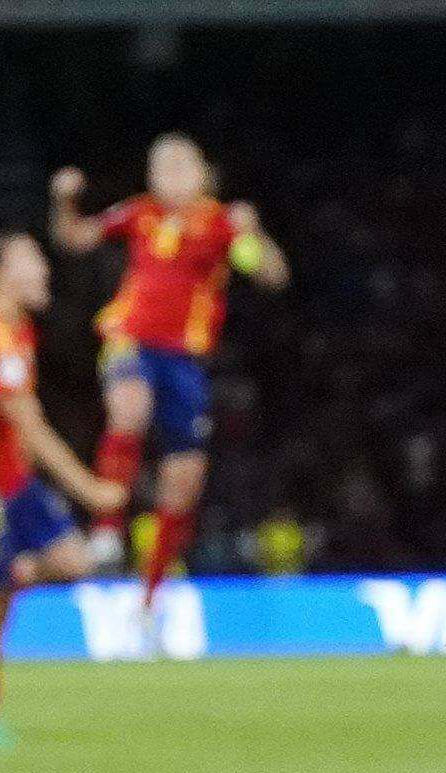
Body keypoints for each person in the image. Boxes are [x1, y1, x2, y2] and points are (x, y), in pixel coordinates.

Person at [47, 137, 286, 613]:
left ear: (204, 172)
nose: (170, 172)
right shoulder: (140, 214)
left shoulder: (221, 223)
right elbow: (75, 238)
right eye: (160, 164)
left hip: (185, 359)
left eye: (181, 163)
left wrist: (254, 234)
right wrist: (64, 200)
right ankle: (108, 529)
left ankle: (150, 600)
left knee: (183, 479)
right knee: (130, 407)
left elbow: (270, 275)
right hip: (131, 340)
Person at [0, 230, 130, 750]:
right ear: (0, 274)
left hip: (11, 484)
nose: (44, 268)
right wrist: (90, 490)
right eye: (31, 259)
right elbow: (30, 425)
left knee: (76, 563)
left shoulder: (15, 332)